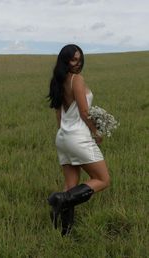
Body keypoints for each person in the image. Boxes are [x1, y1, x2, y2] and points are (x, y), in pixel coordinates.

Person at [46, 44, 110, 236]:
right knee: (103, 179)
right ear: (65, 60)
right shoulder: (77, 79)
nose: (78, 63)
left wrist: (64, 136)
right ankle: (62, 199)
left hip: (63, 138)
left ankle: (64, 232)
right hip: (78, 137)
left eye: (80, 59)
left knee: (71, 186)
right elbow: (83, 111)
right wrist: (96, 131)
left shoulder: (57, 81)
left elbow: (59, 114)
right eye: (74, 59)